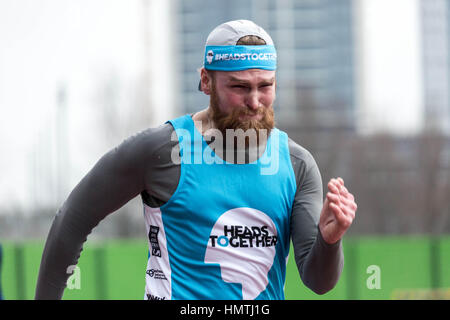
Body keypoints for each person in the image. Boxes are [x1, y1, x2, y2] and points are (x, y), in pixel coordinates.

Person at [35, 19, 357, 300]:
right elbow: (72, 220)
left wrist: (329, 241)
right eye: (239, 87)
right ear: (206, 81)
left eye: (265, 86)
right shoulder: (162, 151)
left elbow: (318, 281)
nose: (255, 101)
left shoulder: (296, 164)